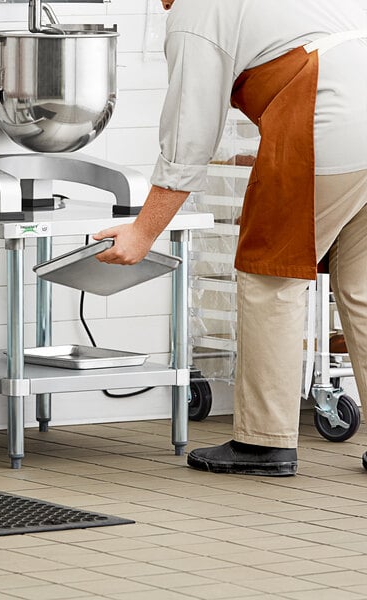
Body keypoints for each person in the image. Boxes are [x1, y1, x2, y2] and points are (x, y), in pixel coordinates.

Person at [94, 0, 367, 476]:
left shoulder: (197, 13)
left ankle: (264, 442)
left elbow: (188, 136)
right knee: (362, 290)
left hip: (329, 117)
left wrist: (142, 233)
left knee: (270, 277)